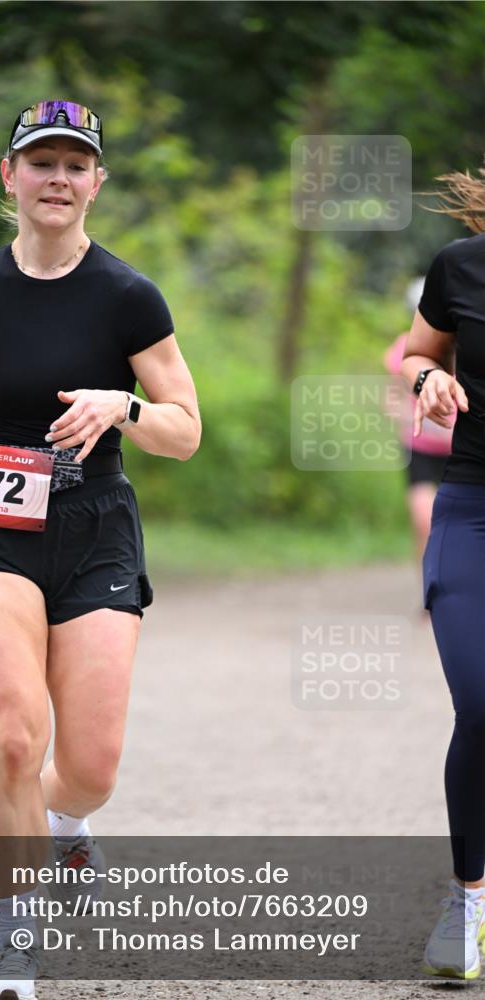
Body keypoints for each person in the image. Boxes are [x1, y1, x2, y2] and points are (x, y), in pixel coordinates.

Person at [0, 99, 201, 1000]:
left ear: (96, 182)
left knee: (89, 768)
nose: (57, 178)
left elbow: (186, 429)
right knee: (16, 736)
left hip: (96, 525)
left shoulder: (128, 295)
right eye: (40, 162)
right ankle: (14, 945)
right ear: (10, 177)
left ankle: (66, 820)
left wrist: (123, 406)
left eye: (75, 164)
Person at [400, 166, 485, 979]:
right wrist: (428, 378)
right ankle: (470, 899)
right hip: (473, 507)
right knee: (480, 699)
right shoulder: (461, 264)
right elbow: (418, 352)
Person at [383, 280, 453, 571]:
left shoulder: (469, 342)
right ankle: (429, 591)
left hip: (461, 449)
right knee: (424, 520)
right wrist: (403, 414)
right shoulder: (405, 347)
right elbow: (390, 398)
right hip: (420, 448)